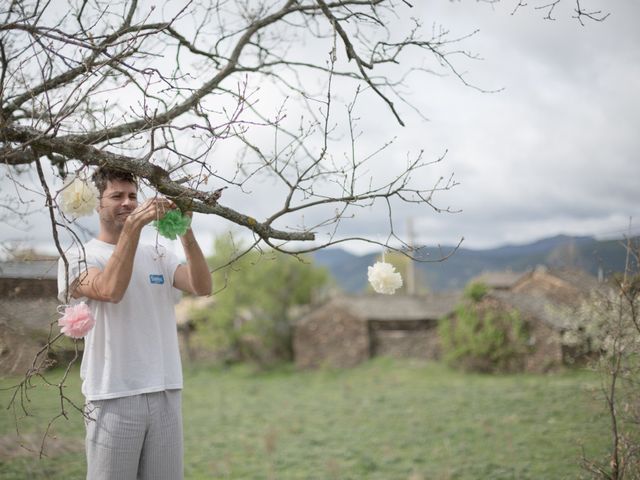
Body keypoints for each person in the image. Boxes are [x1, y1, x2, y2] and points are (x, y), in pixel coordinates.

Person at [57, 167, 212, 480]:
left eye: (132, 195)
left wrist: (186, 232)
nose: (127, 203)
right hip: (112, 395)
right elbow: (109, 290)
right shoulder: (77, 258)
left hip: (166, 389)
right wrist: (134, 228)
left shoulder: (158, 254)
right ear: (96, 203)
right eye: (116, 196)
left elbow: (202, 287)